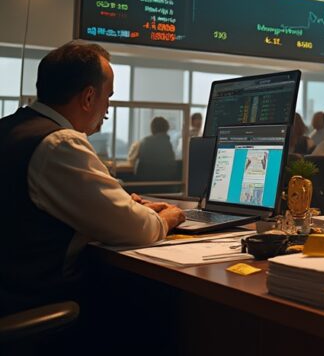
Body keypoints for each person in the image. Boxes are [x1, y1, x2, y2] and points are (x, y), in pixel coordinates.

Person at [0, 42, 185, 314]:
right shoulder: (59, 143)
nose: (108, 109)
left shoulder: (11, 128)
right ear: (88, 98)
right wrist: (167, 218)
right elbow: (136, 229)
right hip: (33, 303)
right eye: (107, 97)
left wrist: (118, 205)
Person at [128, 116, 178, 181]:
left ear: (152, 128)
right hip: (166, 184)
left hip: (144, 183)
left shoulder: (144, 142)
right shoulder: (168, 145)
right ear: (167, 128)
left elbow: (131, 160)